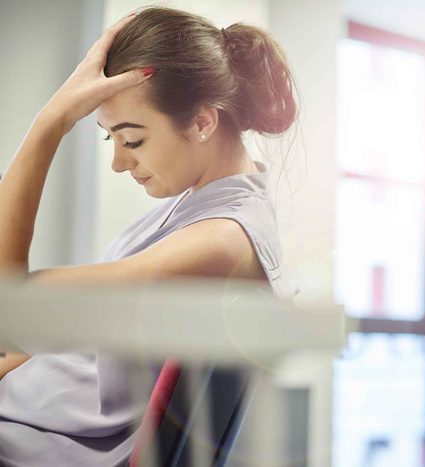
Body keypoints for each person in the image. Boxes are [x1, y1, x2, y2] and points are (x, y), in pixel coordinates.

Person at [0, 6, 299, 465]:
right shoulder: (203, 209)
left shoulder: (223, 240)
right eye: (111, 140)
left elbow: (12, 302)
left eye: (132, 139)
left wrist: (51, 122)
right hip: (30, 414)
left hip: (40, 443)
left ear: (203, 121)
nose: (120, 162)